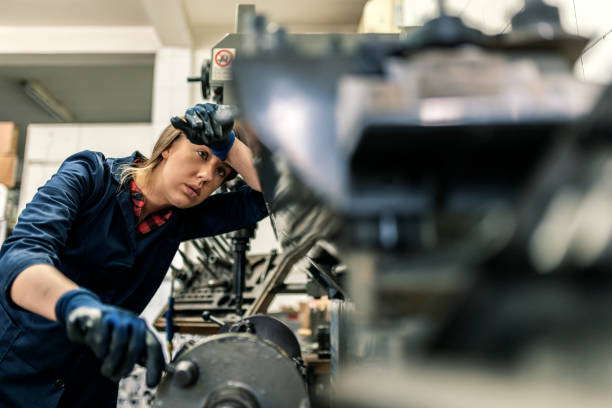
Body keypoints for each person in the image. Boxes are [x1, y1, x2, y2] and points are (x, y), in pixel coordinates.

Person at [0, 103, 268, 407]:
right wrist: (80, 308)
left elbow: (274, 194)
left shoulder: (182, 218)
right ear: (168, 147)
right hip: (17, 374)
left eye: (222, 171)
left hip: (89, 388)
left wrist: (229, 146)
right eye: (202, 154)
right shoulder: (89, 177)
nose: (207, 176)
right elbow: (19, 258)